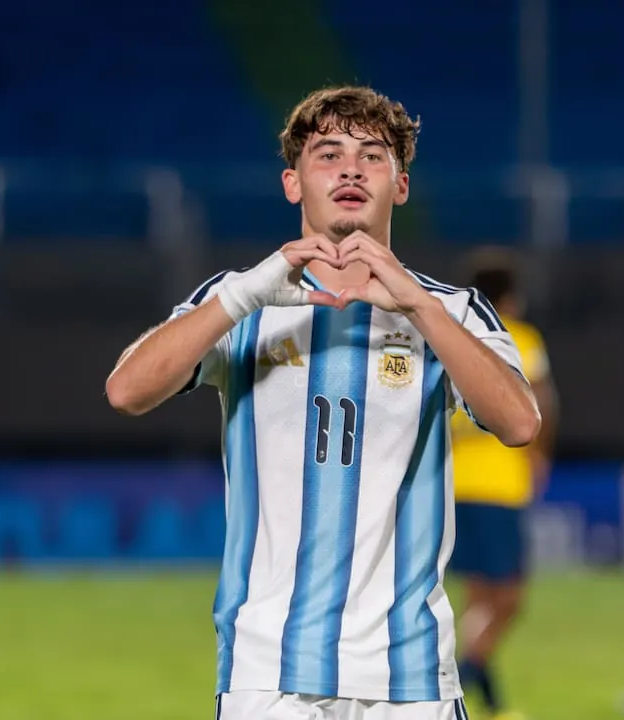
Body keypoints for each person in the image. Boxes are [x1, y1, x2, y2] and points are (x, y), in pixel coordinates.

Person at [105, 85, 541, 720]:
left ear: (401, 185)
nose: (350, 169)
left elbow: (519, 422)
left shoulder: (450, 311)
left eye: (372, 155)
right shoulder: (242, 302)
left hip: (411, 671)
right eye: (328, 155)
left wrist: (417, 306)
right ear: (292, 183)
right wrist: (243, 295)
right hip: (269, 670)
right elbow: (126, 390)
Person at [447, 249, 558, 720]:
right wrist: (541, 455)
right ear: (511, 296)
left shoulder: (449, 335)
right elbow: (543, 402)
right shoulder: (520, 337)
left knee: (477, 597)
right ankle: (462, 673)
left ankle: (488, 700)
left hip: (452, 482)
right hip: (498, 483)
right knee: (509, 599)